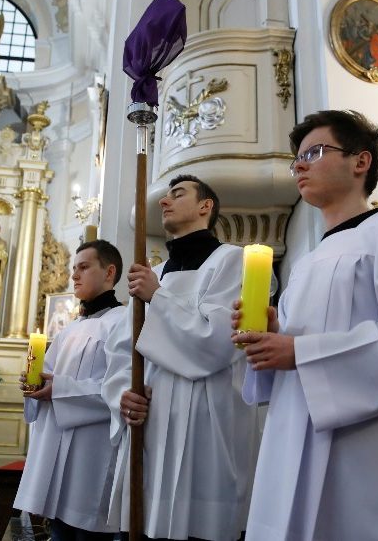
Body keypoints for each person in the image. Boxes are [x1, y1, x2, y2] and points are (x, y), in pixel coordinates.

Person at [232, 110, 378, 540]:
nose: (299, 165)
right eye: (296, 159)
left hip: (371, 449)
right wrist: (275, 334)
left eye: (315, 152)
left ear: (361, 162)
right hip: (296, 438)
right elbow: (298, 350)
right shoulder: (305, 262)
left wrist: (300, 352)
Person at [103, 174, 259, 541]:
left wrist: (159, 298)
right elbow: (121, 352)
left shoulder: (231, 261)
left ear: (206, 206)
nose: (163, 201)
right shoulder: (153, 274)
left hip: (207, 423)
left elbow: (218, 343)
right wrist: (123, 394)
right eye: (165, 195)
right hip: (152, 423)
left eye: (178, 194)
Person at [14, 239, 126, 541]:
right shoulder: (68, 329)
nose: (74, 275)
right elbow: (47, 378)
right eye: (73, 269)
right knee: (59, 530)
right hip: (55, 444)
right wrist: (34, 384)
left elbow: (121, 389)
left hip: (94, 448)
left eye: (84, 267)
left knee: (89, 528)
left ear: (109, 272)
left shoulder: (125, 321)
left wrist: (58, 389)